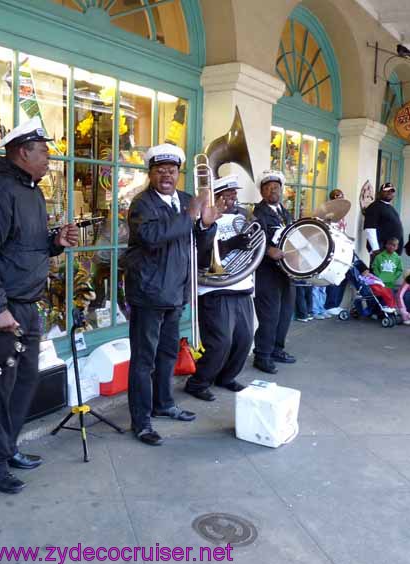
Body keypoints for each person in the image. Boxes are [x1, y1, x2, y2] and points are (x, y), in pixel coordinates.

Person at [0, 118, 79, 493]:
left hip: (26, 306)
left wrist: (55, 242)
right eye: (43, 151)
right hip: (3, 310)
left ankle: (6, 447)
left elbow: (23, 246)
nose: (48, 157)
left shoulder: (32, 191)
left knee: (25, 381)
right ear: (22, 151)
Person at [123, 143, 219, 445]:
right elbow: (151, 237)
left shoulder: (187, 201)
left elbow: (198, 247)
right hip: (149, 293)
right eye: (160, 170)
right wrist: (190, 215)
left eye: (172, 170)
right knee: (143, 360)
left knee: (167, 354)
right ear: (150, 174)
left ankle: (163, 404)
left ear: (179, 173)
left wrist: (205, 225)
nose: (166, 175)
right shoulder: (142, 204)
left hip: (176, 291)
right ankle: (140, 421)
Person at [184, 175, 255, 402]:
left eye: (234, 193)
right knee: (220, 342)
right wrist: (232, 243)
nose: (233, 197)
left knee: (244, 338)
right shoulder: (203, 219)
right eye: (228, 193)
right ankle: (198, 382)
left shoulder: (243, 218)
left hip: (242, 286)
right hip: (215, 290)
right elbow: (201, 256)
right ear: (216, 196)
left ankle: (226, 377)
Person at [252, 170, 296, 375]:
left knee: (285, 313)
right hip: (267, 272)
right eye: (268, 188)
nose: (273, 191)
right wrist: (269, 250)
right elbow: (253, 238)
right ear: (262, 192)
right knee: (269, 316)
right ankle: (262, 356)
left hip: (286, 271)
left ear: (282, 190)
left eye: (276, 187)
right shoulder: (257, 213)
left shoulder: (285, 212)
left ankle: (277, 349)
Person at [364, 182, 404, 259]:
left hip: (391, 252)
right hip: (381, 250)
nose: (390, 192)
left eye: (392, 191)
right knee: (378, 271)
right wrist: (375, 249)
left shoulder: (390, 207)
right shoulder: (375, 207)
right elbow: (370, 229)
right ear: (380, 192)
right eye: (387, 190)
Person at [324, 188, 349, 314]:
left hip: (343, 247)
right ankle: (330, 305)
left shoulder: (342, 214)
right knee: (334, 275)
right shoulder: (329, 213)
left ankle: (336, 303)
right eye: (336, 196)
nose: (339, 198)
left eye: (341, 196)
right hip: (333, 248)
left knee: (343, 275)